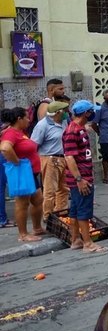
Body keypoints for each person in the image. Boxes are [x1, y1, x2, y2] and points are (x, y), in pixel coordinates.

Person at [62, 100, 107, 253]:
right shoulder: (72, 131)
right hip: (81, 179)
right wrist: (79, 179)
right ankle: (88, 243)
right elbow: (69, 158)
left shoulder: (79, 128)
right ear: (86, 113)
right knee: (84, 211)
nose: (94, 114)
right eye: (92, 111)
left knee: (75, 210)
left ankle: (76, 240)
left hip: (83, 176)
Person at [0, 108, 45, 242]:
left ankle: (37, 228)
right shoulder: (11, 133)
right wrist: (17, 162)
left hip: (31, 173)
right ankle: (23, 234)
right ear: (19, 119)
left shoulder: (20, 132)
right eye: (26, 117)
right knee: (22, 203)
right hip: (23, 174)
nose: (29, 120)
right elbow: (5, 148)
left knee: (38, 200)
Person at [30, 100, 69, 218]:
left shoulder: (63, 122)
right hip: (50, 159)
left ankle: (61, 214)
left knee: (63, 189)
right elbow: (34, 145)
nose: (67, 112)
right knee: (50, 190)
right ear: (57, 112)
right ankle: (48, 216)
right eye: (64, 110)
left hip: (63, 158)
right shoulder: (42, 125)